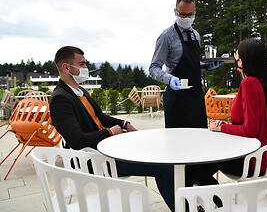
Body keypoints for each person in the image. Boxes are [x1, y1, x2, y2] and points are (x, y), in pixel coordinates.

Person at [50, 46, 175, 211]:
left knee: (156, 152)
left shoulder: (79, 91)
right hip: (94, 160)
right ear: (66, 67)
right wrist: (110, 132)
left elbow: (101, 118)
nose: (85, 68)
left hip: (108, 149)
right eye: (82, 64)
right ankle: (183, 207)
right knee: (164, 168)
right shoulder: (60, 99)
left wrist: (124, 124)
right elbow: (76, 140)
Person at [185, 38, 267, 207]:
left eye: (238, 56)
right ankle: (219, 204)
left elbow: (250, 130)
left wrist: (221, 128)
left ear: (246, 60)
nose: (235, 58)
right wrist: (225, 126)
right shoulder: (260, 81)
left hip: (251, 162)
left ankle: (222, 205)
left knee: (193, 169)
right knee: (200, 165)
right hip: (260, 157)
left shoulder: (249, 83)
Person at [149, 0, 223, 128]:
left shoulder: (196, 35)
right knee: (178, 143)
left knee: (199, 140)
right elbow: (153, 68)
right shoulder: (166, 37)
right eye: (183, 15)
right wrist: (169, 79)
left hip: (196, 97)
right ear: (175, 12)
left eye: (190, 14)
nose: (187, 18)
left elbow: (192, 64)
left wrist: (206, 66)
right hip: (176, 100)